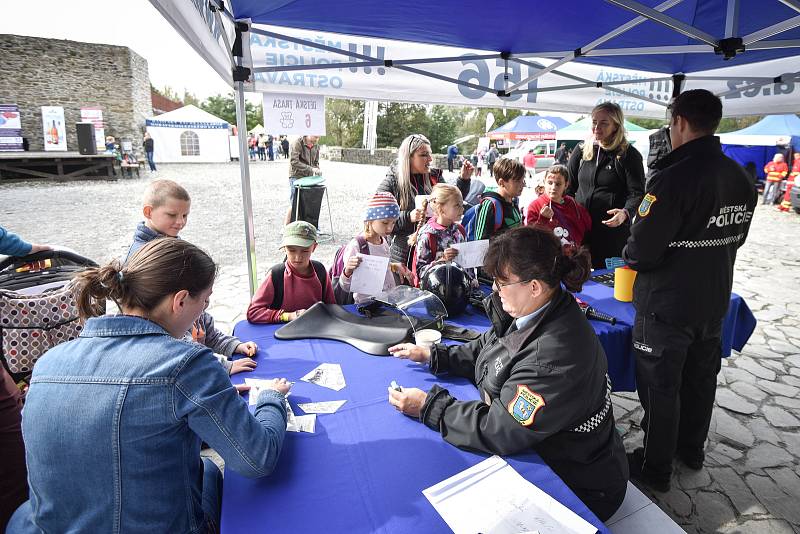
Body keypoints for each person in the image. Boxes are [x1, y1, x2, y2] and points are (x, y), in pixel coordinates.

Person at [6, 239, 290, 533]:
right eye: (204, 302)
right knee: (211, 472)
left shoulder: (47, 364)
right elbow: (256, 458)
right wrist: (270, 398)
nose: (204, 310)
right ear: (180, 301)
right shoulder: (187, 364)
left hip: (45, 525)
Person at [387, 226, 628, 521]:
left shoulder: (553, 355)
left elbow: (499, 428)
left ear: (535, 286)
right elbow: (490, 350)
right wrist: (435, 355)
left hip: (579, 482)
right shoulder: (537, 310)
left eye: (501, 283)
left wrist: (429, 406)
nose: (495, 290)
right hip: (555, 451)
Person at [622, 89, 756, 492]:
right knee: (700, 380)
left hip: (666, 306)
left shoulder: (671, 178)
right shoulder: (739, 175)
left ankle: (656, 466)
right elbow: (738, 237)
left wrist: (632, 248)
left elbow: (640, 252)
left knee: (662, 389)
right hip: (713, 300)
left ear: (678, 121)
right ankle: (691, 449)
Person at [124, 180, 258, 375]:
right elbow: (169, 331)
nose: (180, 222)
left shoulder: (171, 244)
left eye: (185, 215)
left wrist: (228, 345)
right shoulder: (147, 257)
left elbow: (196, 312)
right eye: (172, 215)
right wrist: (220, 366)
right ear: (148, 212)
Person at [567, 102, 645, 269]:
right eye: (594, 121)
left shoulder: (628, 155)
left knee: (606, 285)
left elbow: (637, 193)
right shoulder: (581, 150)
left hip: (611, 235)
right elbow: (568, 188)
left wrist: (625, 213)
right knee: (577, 280)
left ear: (616, 126)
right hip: (580, 231)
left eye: (604, 123)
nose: (597, 127)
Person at [376, 134, 473, 267]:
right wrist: (408, 216)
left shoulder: (434, 177)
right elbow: (377, 219)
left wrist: (463, 179)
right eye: (424, 155)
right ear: (409, 157)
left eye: (430, 154)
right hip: (404, 255)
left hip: (435, 253)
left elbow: (453, 202)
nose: (430, 159)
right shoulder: (392, 182)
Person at [247, 221, 336, 323]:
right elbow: (253, 313)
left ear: (314, 247)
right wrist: (287, 316)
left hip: (315, 330)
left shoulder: (320, 271)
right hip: (282, 333)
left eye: (305, 250)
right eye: (292, 250)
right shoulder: (276, 275)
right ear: (284, 249)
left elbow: (332, 307)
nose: (298, 257)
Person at [338, 192, 414, 303]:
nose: (389, 228)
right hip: (367, 307)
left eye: (393, 223)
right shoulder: (357, 246)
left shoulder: (383, 240)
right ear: (370, 219)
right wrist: (348, 271)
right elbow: (345, 286)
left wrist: (393, 267)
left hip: (386, 302)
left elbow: (378, 268)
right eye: (384, 222)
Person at [409, 183, 468, 282]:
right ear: (441, 208)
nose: (462, 209)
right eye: (457, 205)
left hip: (458, 286)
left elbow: (466, 263)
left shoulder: (459, 230)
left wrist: (471, 278)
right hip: (436, 289)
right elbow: (420, 272)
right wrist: (442, 260)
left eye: (462, 205)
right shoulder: (427, 235)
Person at [525, 164, 592, 247]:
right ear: (544, 182)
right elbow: (531, 237)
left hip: (573, 255)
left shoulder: (572, 204)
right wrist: (543, 219)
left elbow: (587, 225)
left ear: (566, 185)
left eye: (558, 184)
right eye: (550, 183)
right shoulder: (535, 206)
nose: (553, 187)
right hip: (548, 256)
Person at [473, 157, 525, 241]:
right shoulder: (490, 205)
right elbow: (481, 241)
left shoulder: (513, 202)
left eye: (523, 180)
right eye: (517, 181)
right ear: (501, 182)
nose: (523, 185)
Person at [286, 135, 321, 225]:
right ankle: (286, 227)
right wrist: (311, 169)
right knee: (295, 202)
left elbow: (316, 162)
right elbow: (294, 161)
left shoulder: (316, 145)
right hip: (296, 175)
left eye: (318, 138)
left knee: (308, 203)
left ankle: (308, 227)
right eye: (315, 137)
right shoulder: (297, 143)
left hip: (308, 178)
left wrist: (317, 169)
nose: (317, 140)